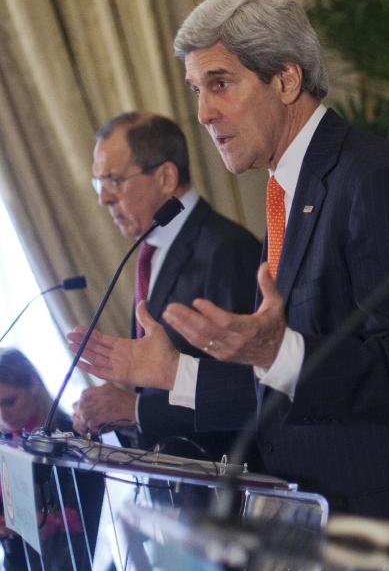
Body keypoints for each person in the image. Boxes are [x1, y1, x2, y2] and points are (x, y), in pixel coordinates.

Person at [70, 0, 389, 522]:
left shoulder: (372, 179)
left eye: (220, 84)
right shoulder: (286, 193)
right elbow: (284, 389)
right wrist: (177, 372)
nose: (202, 113)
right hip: (328, 526)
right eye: (196, 90)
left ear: (286, 80)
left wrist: (279, 352)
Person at [71, 112, 262, 462]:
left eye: (114, 180)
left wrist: (138, 409)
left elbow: (250, 389)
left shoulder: (226, 249)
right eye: (99, 183)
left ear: (166, 176)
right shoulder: (151, 249)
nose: (104, 199)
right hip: (175, 483)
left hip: (227, 487)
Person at [0, 350, 101, 571]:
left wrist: (46, 521)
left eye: (9, 402)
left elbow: (97, 510)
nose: (3, 415)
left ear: (34, 385)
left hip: (80, 564)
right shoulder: (4, 445)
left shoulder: (75, 436)